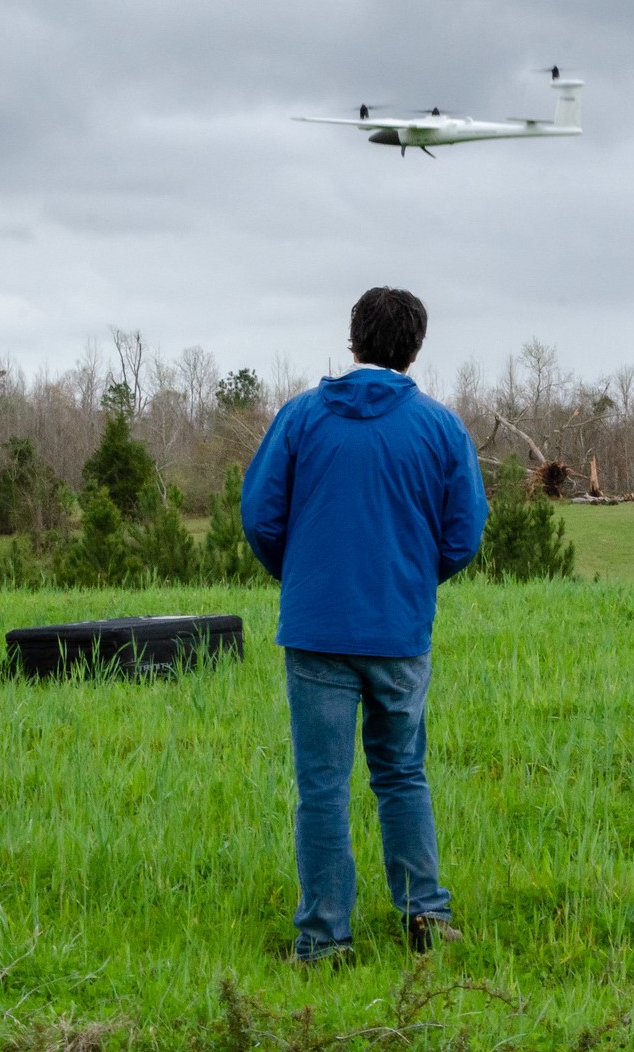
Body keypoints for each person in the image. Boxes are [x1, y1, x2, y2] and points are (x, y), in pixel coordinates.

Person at [241, 286, 489, 966]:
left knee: (322, 786)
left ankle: (323, 941)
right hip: (399, 629)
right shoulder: (441, 428)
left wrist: (304, 577)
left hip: (316, 627)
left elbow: (261, 517)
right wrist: (408, 578)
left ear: (353, 339)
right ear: (415, 347)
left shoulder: (299, 419)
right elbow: (463, 532)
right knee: (403, 775)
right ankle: (426, 918)